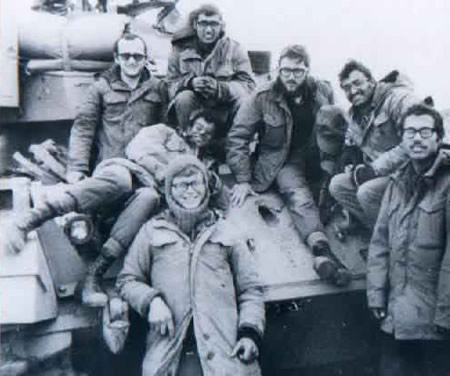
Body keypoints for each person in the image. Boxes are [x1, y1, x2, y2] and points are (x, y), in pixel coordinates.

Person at [6, 110, 223, 307]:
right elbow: (136, 150)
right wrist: (163, 170)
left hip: (143, 195)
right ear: (188, 124)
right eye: (199, 128)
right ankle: (29, 219)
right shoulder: (162, 132)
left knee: (149, 198)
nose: (201, 134)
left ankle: (93, 275)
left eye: (207, 134)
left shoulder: (198, 164)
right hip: (126, 171)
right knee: (120, 181)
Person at [117, 156, 265, 376]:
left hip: (225, 355)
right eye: (180, 184)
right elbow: (127, 280)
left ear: (206, 186)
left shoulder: (227, 231)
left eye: (195, 182)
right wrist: (151, 301)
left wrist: (249, 334)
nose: (188, 191)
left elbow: (250, 289)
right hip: (170, 355)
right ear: (169, 190)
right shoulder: (151, 231)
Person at [227, 44, 350, 287]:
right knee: (298, 196)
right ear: (278, 70)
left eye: (298, 71)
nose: (291, 76)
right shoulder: (262, 97)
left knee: (330, 193)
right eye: (286, 70)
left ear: (307, 70)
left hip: (318, 154)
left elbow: (335, 126)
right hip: (282, 158)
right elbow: (238, 137)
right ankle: (320, 251)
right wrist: (242, 179)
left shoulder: (322, 90)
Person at [367, 104, 450, 376]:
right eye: (410, 131)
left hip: (436, 325)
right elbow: (380, 242)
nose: (416, 138)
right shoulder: (397, 183)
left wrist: (445, 314)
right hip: (396, 318)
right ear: (402, 139)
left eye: (425, 131)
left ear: (439, 137)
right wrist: (376, 295)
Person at [329, 60, 419, 229]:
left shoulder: (398, 99)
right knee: (337, 185)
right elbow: (355, 142)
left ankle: (398, 242)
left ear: (371, 82)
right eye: (347, 88)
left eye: (357, 83)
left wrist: (374, 169)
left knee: (366, 193)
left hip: (413, 173)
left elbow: (415, 141)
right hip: (388, 175)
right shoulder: (355, 115)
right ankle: (378, 231)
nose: (353, 91)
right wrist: (353, 162)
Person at [167, 3, 255, 160]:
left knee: (245, 102)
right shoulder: (179, 50)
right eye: (203, 24)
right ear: (195, 24)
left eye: (214, 24)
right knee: (183, 97)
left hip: (224, 115)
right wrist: (190, 83)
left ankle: (235, 151)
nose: (208, 30)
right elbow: (170, 86)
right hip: (194, 116)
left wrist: (221, 89)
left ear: (222, 25)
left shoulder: (234, 49)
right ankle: (191, 150)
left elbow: (248, 86)